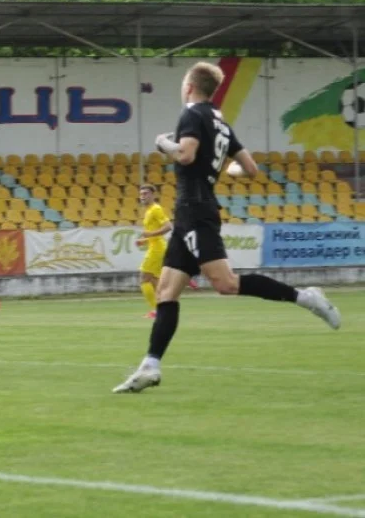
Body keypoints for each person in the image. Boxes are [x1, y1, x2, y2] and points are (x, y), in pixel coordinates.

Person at [113, 62, 341, 394]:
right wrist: (218, 170)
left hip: (195, 210)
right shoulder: (219, 122)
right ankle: (150, 365)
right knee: (166, 292)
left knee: (226, 284)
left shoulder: (191, 114)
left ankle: (306, 297)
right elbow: (249, 168)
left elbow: (186, 155)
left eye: (182, 84)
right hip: (189, 212)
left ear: (190, 86)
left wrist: (163, 143)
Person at [135, 184, 170, 319]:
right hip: (155, 247)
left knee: (144, 279)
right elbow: (156, 234)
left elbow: (168, 227)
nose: (143, 196)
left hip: (157, 249)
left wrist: (148, 234)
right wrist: (144, 241)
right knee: (155, 281)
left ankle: (156, 311)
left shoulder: (156, 209)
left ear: (153, 195)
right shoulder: (149, 211)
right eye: (141, 194)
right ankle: (164, 308)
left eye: (146, 193)